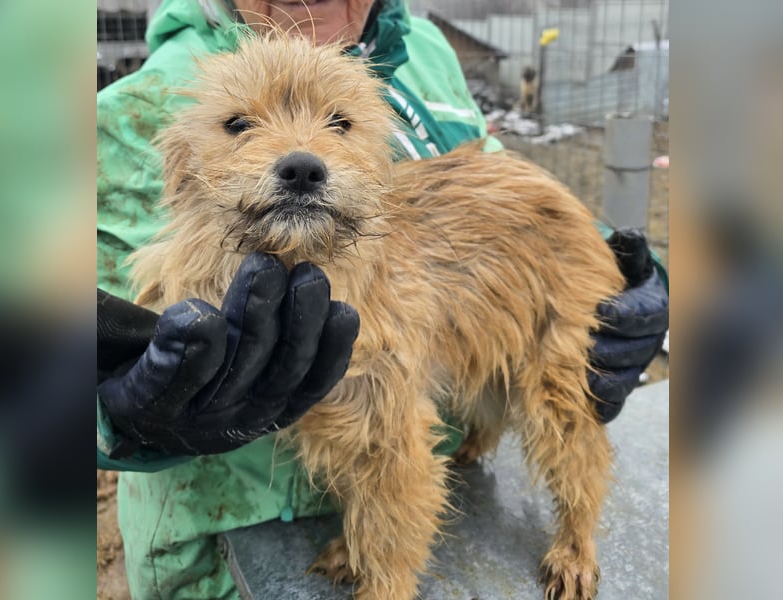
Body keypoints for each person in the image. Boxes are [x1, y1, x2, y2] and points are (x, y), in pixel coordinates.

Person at [96, 1, 669, 597]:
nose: (302, 157)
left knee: (552, 413)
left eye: (339, 124)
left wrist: (620, 263)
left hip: (487, 322)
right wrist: (116, 413)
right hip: (209, 558)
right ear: (179, 165)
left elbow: (492, 175)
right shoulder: (121, 118)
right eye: (240, 125)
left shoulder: (427, 54)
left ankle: (577, 535)